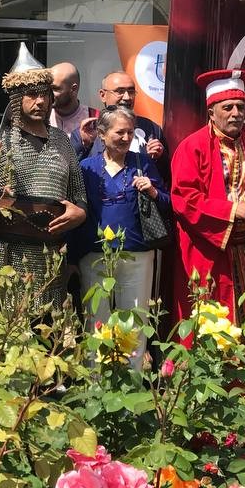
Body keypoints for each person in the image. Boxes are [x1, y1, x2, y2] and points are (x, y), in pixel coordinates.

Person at [171, 69, 245, 367]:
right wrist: (234, 210)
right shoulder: (192, 146)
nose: (236, 114)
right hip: (208, 251)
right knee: (210, 313)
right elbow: (184, 199)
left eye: (241, 108)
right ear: (211, 112)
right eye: (228, 108)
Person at [0, 65, 86, 313]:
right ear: (16, 99)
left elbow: (79, 194)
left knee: (45, 336)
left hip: (48, 256)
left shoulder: (61, 141)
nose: (41, 102)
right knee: (2, 334)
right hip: (5, 255)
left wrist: (81, 213)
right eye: (32, 95)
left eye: (45, 94)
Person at [70, 106, 170, 363]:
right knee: (97, 322)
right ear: (102, 134)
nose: (126, 137)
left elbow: (169, 202)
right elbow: (74, 204)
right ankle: (96, 385)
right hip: (95, 255)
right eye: (119, 132)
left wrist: (153, 191)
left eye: (130, 132)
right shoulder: (86, 167)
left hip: (137, 255)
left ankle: (130, 392)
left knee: (134, 322)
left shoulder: (143, 163)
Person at [72, 71, 167, 170]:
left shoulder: (151, 129)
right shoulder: (85, 132)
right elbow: (70, 174)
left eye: (131, 91)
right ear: (103, 95)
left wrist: (159, 157)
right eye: (120, 91)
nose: (127, 97)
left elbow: (166, 176)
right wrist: (84, 146)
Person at [48, 62, 96, 138]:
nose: (49, 93)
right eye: (47, 88)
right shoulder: (41, 118)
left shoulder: (94, 118)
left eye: (55, 89)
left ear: (74, 89)